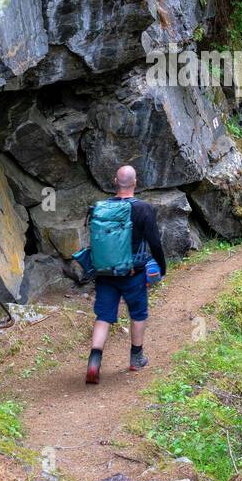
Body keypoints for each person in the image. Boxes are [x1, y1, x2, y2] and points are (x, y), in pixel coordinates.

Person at [85, 165, 167, 385]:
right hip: (134, 273)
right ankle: (136, 357)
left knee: (104, 315)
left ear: (115, 181)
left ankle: (94, 360)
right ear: (135, 182)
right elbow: (154, 242)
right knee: (138, 313)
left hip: (105, 272)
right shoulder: (143, 209)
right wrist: (162, 266)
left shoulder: (101, 208)